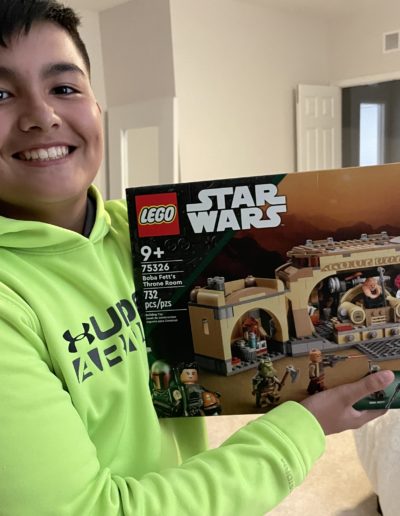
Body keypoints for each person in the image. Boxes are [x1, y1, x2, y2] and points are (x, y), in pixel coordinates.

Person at [0, 1, 394, 515]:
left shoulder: (142, 236)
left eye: (64, 88)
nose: (42, 115)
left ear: (96, 106)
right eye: (1, 94)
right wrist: (303, 428)